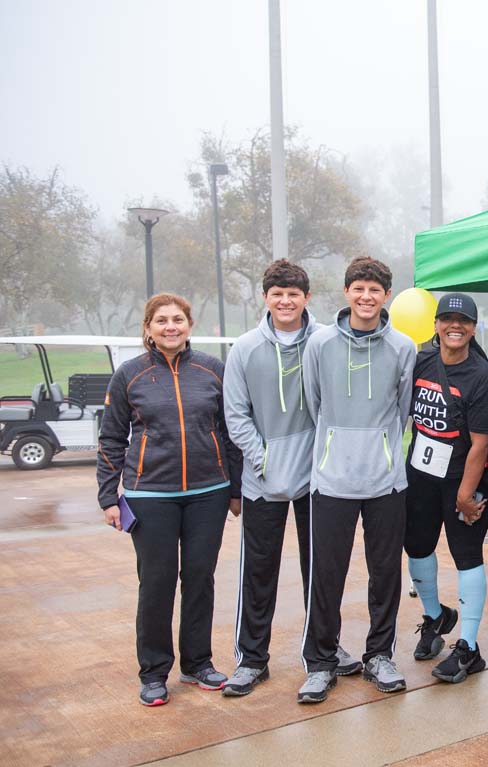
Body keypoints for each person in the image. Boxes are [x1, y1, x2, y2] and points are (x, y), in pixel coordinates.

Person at [221, 259, 361, 697]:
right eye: (277, 294)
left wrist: (325, 459)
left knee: (321, 572)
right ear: (265, 298)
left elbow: (336, 403)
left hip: (318, 482)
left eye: (293, 294)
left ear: (307, 298)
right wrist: (262, 460)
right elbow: (235, 415)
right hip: (263, 481)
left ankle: (326, 647)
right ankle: (251, 660)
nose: (285, 301)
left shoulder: (326, 341)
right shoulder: (244, 349)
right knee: (258, 573)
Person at [97, 293, 243, 706]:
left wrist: (234, 490)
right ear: (148, 328)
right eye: (161, 320)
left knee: (200, 578)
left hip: (207, 495)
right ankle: (154, 672)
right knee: (157, 583)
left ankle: (198, 663)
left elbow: (230, 433)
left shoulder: (213, 370)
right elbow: (110, 438)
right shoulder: (129, 375)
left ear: (189, 325)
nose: (170, 326)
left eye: (177, 319)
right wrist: (110, 497)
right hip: (150, 496)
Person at [296, 256, 416, 703]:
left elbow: (402, 411)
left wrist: (380, 448)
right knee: (326, 575)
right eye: (358, 288)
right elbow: (314, 403)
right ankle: (321, 662)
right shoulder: (320, 344)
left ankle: (379, 655)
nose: (366, 297)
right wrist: (337, 447)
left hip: (386, 482)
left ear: (387, 296)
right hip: (331, 482)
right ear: (346, 292)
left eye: (375, 290)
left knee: (384, 574)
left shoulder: (402, 347)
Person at [405, 292, 488, 683]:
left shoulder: (483, 377)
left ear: (474, 328)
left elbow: (481, 444)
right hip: (422, 474)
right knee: (416, 546)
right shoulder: (422, 362)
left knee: (465, 554)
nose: (455, 326)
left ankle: (468, 647)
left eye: (463, 322)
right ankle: (435, 617)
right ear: (436, 326)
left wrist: (466, 494)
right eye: (447, 319)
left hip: (465, 477)